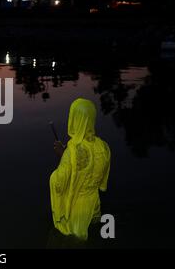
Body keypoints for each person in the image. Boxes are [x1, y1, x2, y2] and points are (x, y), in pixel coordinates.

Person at [50, 98, 111, 241]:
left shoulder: (71, 151)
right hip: (94, 207)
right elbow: (101, 182)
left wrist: (63, 156)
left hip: (76, 215)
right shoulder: (103, 146)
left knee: (75, 242)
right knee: (96, 237)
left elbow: (59, 184)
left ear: (74, 119)